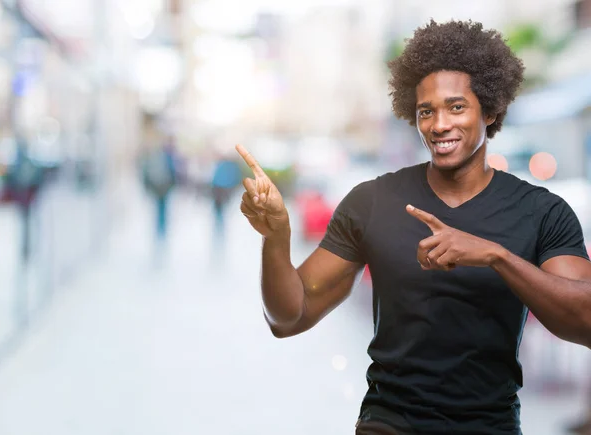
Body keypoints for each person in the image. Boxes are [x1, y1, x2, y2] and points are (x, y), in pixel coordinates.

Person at [235, 19, 591, 435]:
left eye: (456, 107)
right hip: (388, 425)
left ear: (490, 109)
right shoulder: (371, 203)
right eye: (427, 111)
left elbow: (584, 321)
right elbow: (289, 318)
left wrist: (497, 256)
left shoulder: (541, 212)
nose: (439, 124)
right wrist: (276, 240)